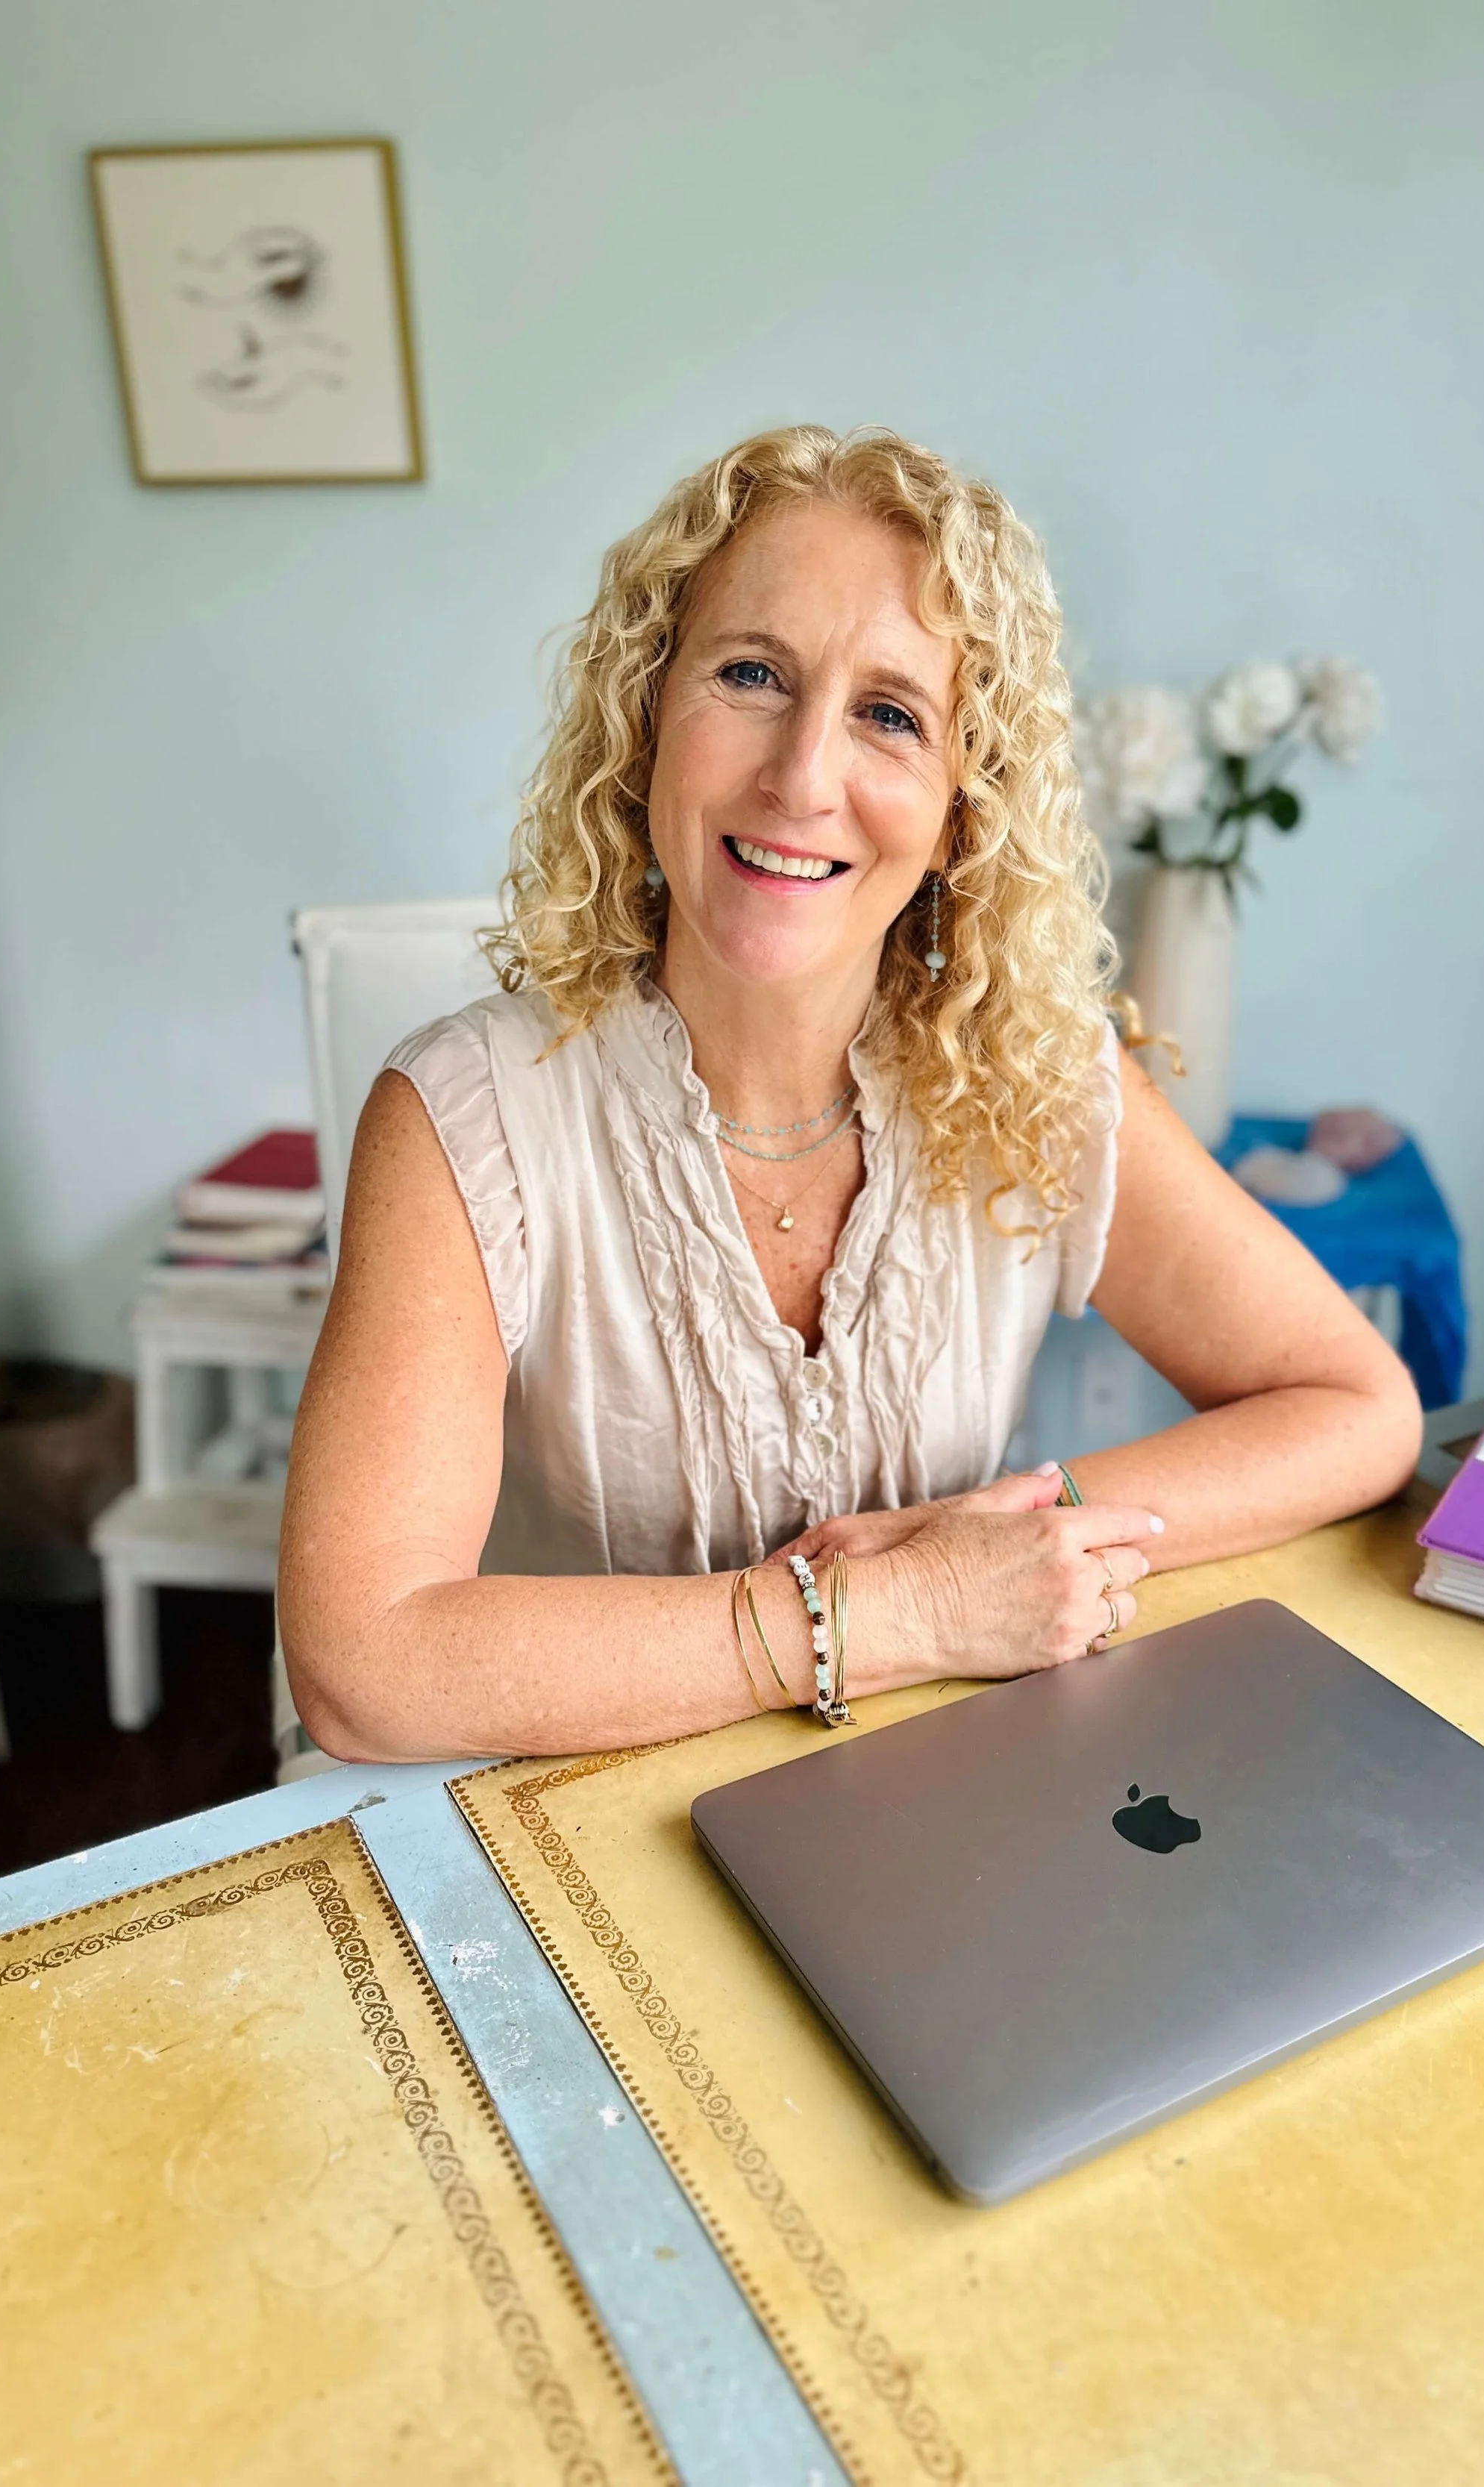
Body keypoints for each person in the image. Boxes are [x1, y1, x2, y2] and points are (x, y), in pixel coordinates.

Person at [278, 426, 1421, 1762]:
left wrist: (1015, 1530)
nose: (804, 776)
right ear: (647, 717)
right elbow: (363, 1665)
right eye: (752, 674)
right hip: (569, 1826)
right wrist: (889, 1613)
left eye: (890, 715)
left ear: (960, 806)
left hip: (937, 1809)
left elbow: (1360, 1409)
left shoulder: (1034, 1078)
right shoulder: (459, 1114)